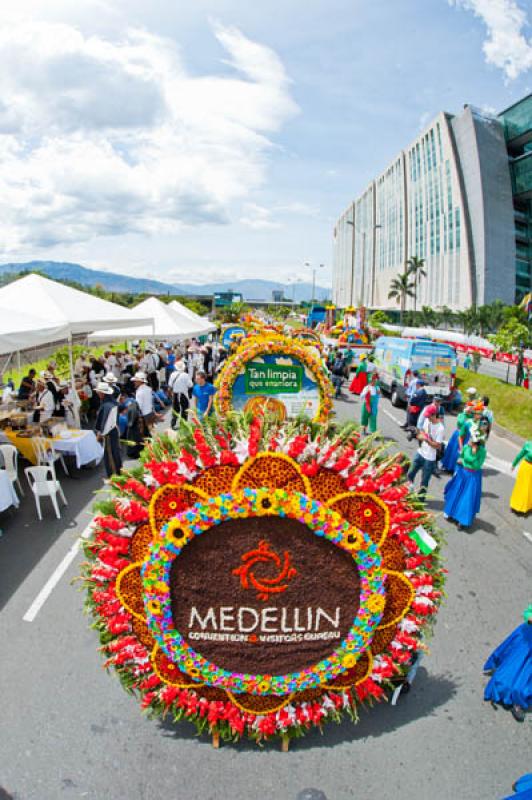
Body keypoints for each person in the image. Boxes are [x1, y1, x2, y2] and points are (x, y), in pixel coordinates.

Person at [483, 605, 532, 723]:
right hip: (527, 638)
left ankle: (518, 702)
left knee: (525, 682)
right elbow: (528, 613)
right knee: (507, 674)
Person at [444, 427, 486, 530]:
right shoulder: (466, 447)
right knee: (456, 494)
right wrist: (460, 464)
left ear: (477, 443)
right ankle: (451, 513)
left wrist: (472, 455)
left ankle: (462, 521)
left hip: (472, 477)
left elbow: (476, 465)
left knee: (466, 498)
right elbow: (461, 457)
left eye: (472, 439)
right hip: (462, 473)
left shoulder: (482, 452)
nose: (470, 440)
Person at [407, 403, 444, 497]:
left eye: (428, 416)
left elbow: (438, 446)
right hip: (420, 453)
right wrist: (415, 433)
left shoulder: (440, 428)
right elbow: (422, 431)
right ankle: (408, 491)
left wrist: (426, 440)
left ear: (434, 414)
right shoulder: (427, 421)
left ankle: (420, 501)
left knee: (424, 482)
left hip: (429, 458)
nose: (427, 418)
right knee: (410, 474)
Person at [94, 381, 122, 478]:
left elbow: (105, 422)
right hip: (113, 430)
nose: (98, 394)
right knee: (115, 452)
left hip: (109, 433)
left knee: (110, 454)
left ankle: (114, 474)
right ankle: (118, 470)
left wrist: (100, 434)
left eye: (99, 392)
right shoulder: (112, 402)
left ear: (102, 393)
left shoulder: (107, 405)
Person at [441, 402, 475, 473]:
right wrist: (465, 414)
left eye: (472, 407)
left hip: (466, 436)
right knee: (453, 450)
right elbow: (461, 422)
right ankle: (448, 467)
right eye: (470, 406)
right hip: (458, 434)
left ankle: (456, 468)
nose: (471, 408)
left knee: (460, 452)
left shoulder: (472, 417)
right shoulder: (461, 415)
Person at [510, 441, 532, 515]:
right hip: (525, 467)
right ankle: (516, 506)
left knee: (529, 488)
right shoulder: (528, 444)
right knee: (521, 487)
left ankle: (527, 506)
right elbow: (520, 455)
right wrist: (514, 464)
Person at [132, 371, 156, 437]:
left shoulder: (139, 392)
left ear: (140, 381)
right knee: (152, 433)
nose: (134, 382)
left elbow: (138, 406)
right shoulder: (148, 389)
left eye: (136, 381)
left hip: (144, 416)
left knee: (145, 435)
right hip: (150, 413)